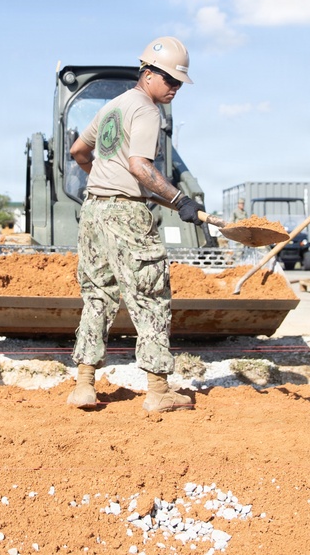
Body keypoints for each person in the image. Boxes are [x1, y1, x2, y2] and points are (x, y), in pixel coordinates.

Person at [67, 36, 200, 413]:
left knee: (96, 296)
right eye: (171, 81)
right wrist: (179, 199)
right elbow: (140, 166)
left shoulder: (113, 107)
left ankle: (83, 386)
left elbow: (79, 151)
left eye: (178, 83)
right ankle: (158, 392)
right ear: (148, 74)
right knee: (151, 296)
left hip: (94, 212)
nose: (175, 89)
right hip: (126, 216)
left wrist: (104, 179)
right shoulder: (146, 110)